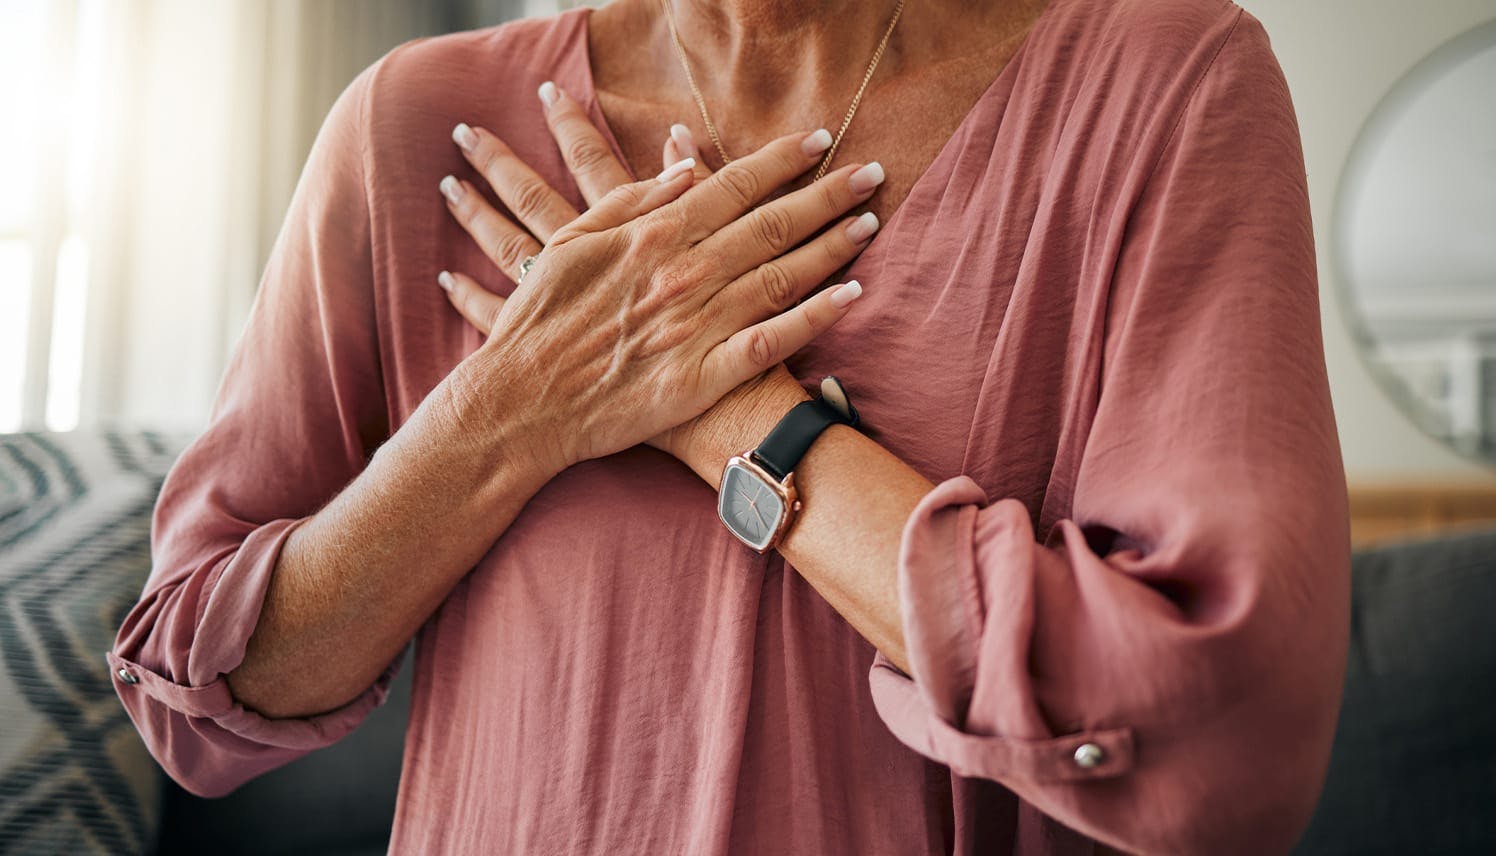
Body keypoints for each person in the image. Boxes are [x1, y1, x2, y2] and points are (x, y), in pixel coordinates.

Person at [109, 0, 1352, 852]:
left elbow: (1220, 740)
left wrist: (731, 414)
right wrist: (509, 407)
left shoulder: (1167, 85)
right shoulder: (413, 123)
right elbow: (195, 692)